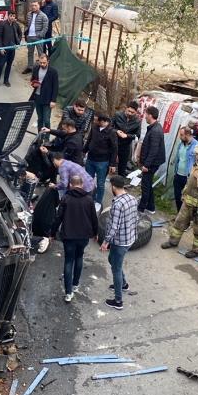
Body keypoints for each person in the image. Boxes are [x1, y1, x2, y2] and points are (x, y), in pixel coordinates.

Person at [160, 142, 198, 259]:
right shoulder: (197, 165)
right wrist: (184, 193)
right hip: (188, 202)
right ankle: (173, 241)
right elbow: (190, 182)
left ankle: (196, 250)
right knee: (179, 222)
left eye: (197, 153)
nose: (195, 155)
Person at [52, 174, 98, 302]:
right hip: (83, 235)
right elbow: (94, 218)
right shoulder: (89, 199)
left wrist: (52, 233)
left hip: (68, 235)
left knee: (68, 261)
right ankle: (75, 284)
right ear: (82, 184)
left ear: (71, 185)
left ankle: (68, 293)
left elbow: (58, 217)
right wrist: (96, 233)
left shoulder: (66, 198)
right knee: (79, 257)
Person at [100, 175, 138, 310]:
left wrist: (105, 242)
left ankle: (118, 301)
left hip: (120, 242)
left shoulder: (117, 204)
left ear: (114, 187)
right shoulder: (132, 199)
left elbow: (114, 227)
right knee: (112, 260)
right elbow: (136, 219)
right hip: (129, 239)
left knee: (116, 268)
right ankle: (124, 284)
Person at [84, 113, 117, 207]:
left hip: (102, 162)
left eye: (96, 120)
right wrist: (84, 151)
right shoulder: (94, 127)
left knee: (100, 183)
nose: (94, 121)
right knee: (88, 179)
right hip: (90, 159)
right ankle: (87, 197)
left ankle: (98, 201)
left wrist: (112, 164)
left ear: (103, 121)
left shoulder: (111, 132)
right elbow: (89, 140)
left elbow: (114, 149)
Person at [137, 106, 165, 213]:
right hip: (152, 162)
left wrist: (146, 165)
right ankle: (151, 207)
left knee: (145, 185)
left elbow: (154, 150)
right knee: (148, 183)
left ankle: (141, 208)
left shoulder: (155, 131)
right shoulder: (155, 127)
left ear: (150, 115)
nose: (145, 117)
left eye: (146, 115)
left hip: (152, 163)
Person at [172, 126, 198, 212]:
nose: (180, 136)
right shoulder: (181, 144)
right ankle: (179, 215)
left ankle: (186, 219)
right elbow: (178, 158)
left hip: (188, 177)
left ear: (187, 135)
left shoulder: (197, 146)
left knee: (187, 199)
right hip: (178, 174)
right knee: (177, 196)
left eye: (181, 135)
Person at [112, 101, 142, 176]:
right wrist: (117, 131)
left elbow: (137, 135)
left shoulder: (137, 121)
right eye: (129, 111)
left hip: (125, 146)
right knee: (109, 164)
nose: (130, 113)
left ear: (136, 112)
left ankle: (120, 182)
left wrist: (127, 136)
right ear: (126, 108)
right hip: (113, 143)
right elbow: (109, 127)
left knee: (122, 168)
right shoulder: (117, 115)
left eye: (132, 112)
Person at [30, 54, 57, 130]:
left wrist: (53, 100)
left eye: (44, 62)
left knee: (46, 120)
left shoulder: (53, 72)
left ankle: (46, 138)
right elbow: (32, 79)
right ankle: (39, 137)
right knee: (40, 119)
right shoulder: (35, 68)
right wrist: (33, 84)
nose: (42, 64)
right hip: (37, 97)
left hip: (47, 99)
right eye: (40, 62)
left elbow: (55, 87)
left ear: (48, 61)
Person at [0, 11, 22, 88]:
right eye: (11, 16)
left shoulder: (16, 25)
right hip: (4, 49)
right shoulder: (2, 24)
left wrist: (18, 42)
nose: (12, 17)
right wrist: (1, 48)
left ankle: (6, 80)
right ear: (8, 16)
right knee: (1, 65)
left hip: (12, 49)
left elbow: (20, 34)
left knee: (9, 65)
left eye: (13, 16)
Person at [22, 1, 49, 73]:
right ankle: (30, 67)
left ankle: (42, 67)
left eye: (35, 5)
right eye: (32, 5)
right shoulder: (29, 14)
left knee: (41, 53)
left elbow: (45, 27)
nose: (34, 7)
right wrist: (26, 34)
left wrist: (40, 35)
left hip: (38, 37)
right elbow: (26, 24)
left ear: (39, 6)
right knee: (30, 52)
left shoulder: (43, 16)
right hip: (30, 37)